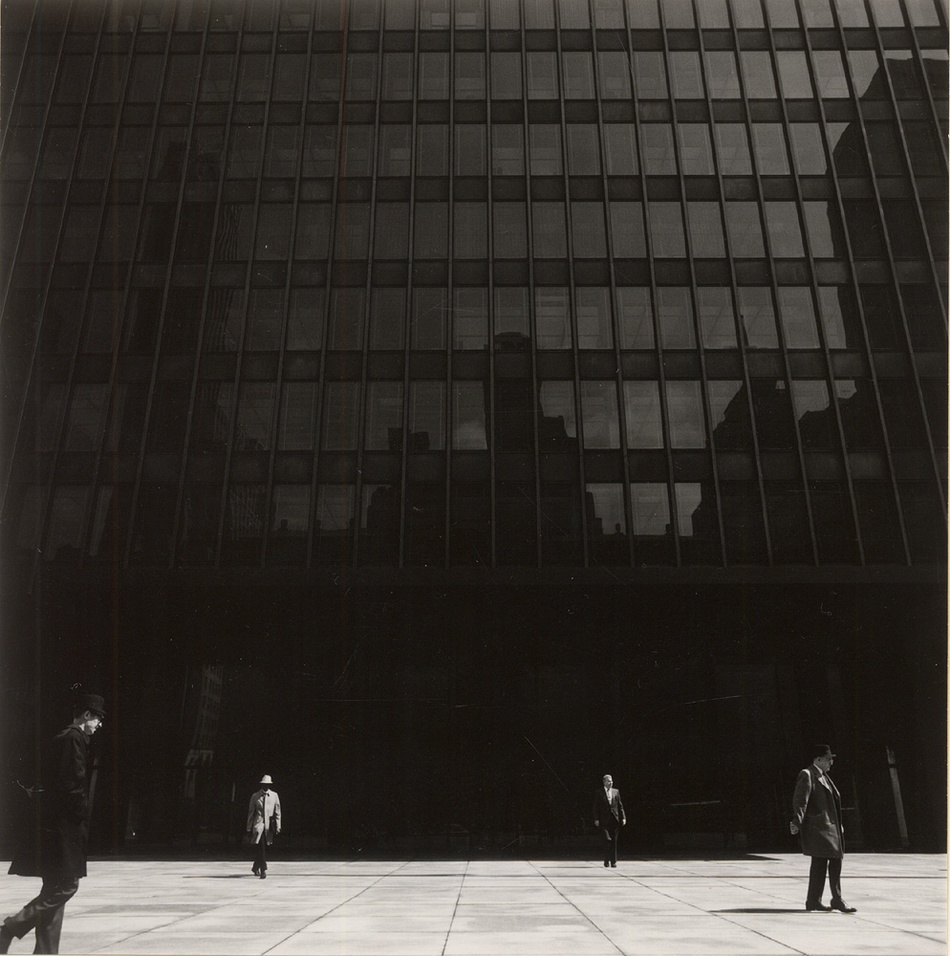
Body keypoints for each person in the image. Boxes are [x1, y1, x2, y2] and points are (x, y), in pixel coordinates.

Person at [0, 693, 105, 954]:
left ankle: (45, 953)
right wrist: (82, 812)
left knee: (54, 889)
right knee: (67, 885)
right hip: (64, 830)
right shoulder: (73, 738)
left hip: (56, 828)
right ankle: (9, 928)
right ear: (87, 715)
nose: (100, 724)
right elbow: (72, 785)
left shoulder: (67, 737)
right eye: (98, 718)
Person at [789, 744, 856, 913]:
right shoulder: (807, 774)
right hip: (820, 828)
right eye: (828, 759)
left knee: (822, 862)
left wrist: (839, 824)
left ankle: (814, 901)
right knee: (833, 860)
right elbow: (801, 800)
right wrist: (797, 821)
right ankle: (836, 899)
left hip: (830, 828)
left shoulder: (824, 776)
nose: (831, 762)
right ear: (818, 759)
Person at [246, 775, 281, 879]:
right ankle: (263, 869)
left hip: (269, 826)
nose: (266, 786)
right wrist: (249, 828)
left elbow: (277, 812)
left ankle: (255, 867)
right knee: (261, 846)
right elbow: (251, 813)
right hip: (258, 824)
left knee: (264, 847)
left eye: (268, 784)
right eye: (264, 784)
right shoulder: (255, 796)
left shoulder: (274, 796)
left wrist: (278, 826)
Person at [592, 773, 625, 868]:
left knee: (614, 840)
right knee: (607, 839)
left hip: (614, 819)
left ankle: (613, 861)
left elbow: (620, 806)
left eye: (611, 781)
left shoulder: (616, 791)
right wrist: (596, 818)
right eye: (609, 781)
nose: (611, 783)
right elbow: (596, 806)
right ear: (604, 782)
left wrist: (623, 817)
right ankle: (606, 860)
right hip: (604, 820)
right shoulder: (599, 792)